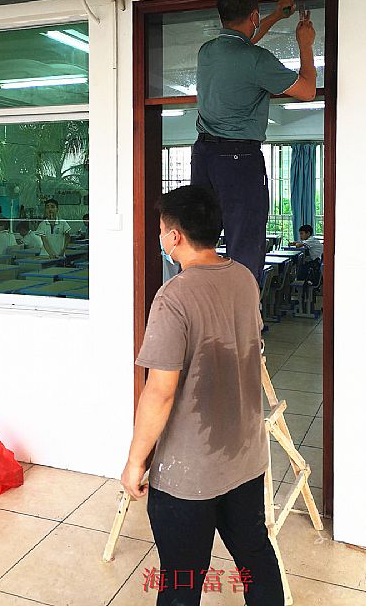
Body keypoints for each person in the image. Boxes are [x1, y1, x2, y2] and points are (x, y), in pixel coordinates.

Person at [121, 185, 283, 606]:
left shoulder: (173, 297)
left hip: (188, 473)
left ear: (174, 236)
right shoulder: (244, 278)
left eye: (161, 229)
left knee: (182, 580)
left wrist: (136, 461)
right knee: (255, 556)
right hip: (245, 456)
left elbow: (159, 392)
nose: (160, 236)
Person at [191, 0, 317, 282]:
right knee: (245, 247)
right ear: (253, 16)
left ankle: (201, 302)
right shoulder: (257, 60)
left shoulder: (206, 52)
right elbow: (308, 90)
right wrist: (305, 44)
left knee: (200, 241)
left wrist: (273, 17)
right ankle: (243, 309)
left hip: (203, 156)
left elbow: (241, 45)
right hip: (239, 160)